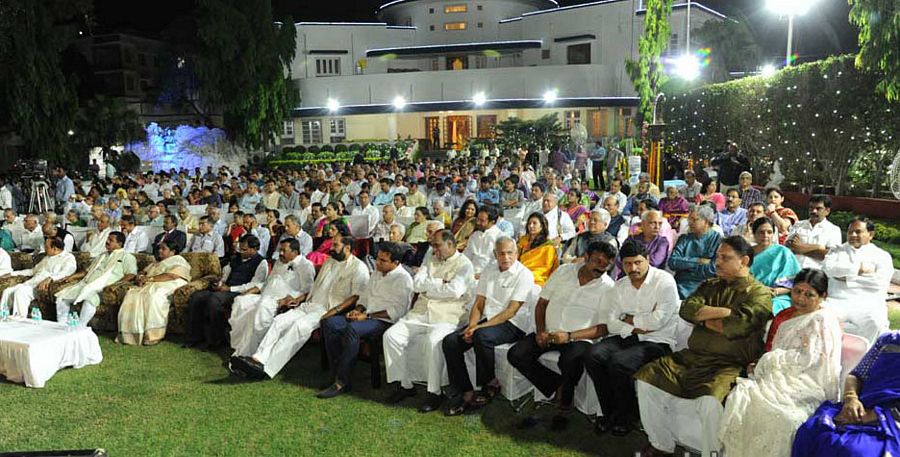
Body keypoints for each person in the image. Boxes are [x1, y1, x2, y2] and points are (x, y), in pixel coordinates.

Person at [635, 236, 772, 457]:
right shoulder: (710, 285)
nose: (717, 262)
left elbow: (740, 326)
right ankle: (661, 444)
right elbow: (687, 309)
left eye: (725, 258)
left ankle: (712, 453)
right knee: (647, 379)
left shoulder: (759, 293)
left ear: (744, 260)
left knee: (710, 402)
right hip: (691, 357)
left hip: (727, 364)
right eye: (717, 256)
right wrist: (725, 313)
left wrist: (704, 316)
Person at [719, 269, 843, 457]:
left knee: (780, 417)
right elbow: (774, 348)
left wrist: (769, 360)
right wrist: (763, 362)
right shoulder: (786, 315)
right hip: (778, 375)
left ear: (823, 296)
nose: (800, 298)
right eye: (797, 291)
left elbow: (812, 360)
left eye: (809, 294)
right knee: (743, 399)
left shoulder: (823, 320)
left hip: (808, 382)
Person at [508, 241, 617, 431]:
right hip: (548, 331)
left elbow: (603, 328)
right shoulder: (564, 271)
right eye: (597, 261)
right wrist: (541, 330)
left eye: (606, 264)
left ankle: (565, 406)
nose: (601, 267)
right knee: (516, 354)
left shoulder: (608, 287)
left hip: (578, 338)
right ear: (585, 258)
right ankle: (554, 384)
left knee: (571, 361)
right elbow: (542, 303)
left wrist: (568, 335)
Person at [232, 235, 368, 380]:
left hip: (327, 309)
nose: (331, 249)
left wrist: (334, 311)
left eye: (335, 245)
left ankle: (266, 368)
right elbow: (316, 287)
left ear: (347, 248)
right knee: (279, 322)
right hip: (310, 304)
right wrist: (299, 299)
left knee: (297, 327)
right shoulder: (330, 261)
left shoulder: (358, 267)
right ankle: (257, 358)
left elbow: (356, 296)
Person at [586, 240, 680, 436]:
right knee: (593, 355)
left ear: (647, 260)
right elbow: (611, 323)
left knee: (618, 362)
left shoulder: (664, 281)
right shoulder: (619, 286)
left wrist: (629, 319)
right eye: (628, 264)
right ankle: (609, 411)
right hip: (628, 336)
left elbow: (658, 322)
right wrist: (637, 326)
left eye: (638, 262)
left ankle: (627, 416)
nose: (633, 268)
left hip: (658, 341)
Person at [383, 230, 475, 414]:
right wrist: (441, 283)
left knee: (433, 342)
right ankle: (406, 385)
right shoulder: (431, 257)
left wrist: (430, 285)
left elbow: (455, 290)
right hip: (421, 312)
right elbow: (417, 283)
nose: (434, 249)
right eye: (432, 245)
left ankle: (435, 392)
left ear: (451, 244)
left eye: (437, 245)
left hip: (447, 315)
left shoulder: (464, 264)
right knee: (391, 336)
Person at [442, 236, 535, 415]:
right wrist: (472, 325)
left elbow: (511, 311)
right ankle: (466, 391)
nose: (506, 257)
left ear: (517, 253)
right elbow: (479, 303)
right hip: (489, 319)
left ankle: (490, 383)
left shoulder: (524, 275)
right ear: (495, 254)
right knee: (451, 341)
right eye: (501, 253)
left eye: (510, 253)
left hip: (513, 324)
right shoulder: (489, 270)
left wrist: (478, 329)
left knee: (480, 336)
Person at [318, 242, 414, 399]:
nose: (377, 263)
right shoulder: (377, 273)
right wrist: (359, 309)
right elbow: (364, 296)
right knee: (330, 323)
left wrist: (367, 316)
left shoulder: (403, 280)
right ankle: (336, 373)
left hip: (385, 321)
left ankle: (342, 382)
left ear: (395, 263)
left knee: (353, 329)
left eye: (383, 261)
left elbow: (397, 311)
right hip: (366, 316)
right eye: (378, 258)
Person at [792, 331, 900, 457]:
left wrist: (876, 415)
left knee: (853, 450)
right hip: (860, 406)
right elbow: (856, 375)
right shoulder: (888, 340)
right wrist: (851, 399)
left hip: (892, 419)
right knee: (810, 431)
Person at [228, 238, 316, 362]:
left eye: (284, 250)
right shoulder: (279, 262)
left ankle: (251, 352)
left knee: (262, 308)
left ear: (295, 252)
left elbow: (308, 290)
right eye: (280, 250)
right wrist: (252, 290)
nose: (280, 253)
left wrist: (292, 300)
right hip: (265, 295)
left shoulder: (306, 265)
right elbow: (267, 282)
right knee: (240, 301)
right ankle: (238, 346)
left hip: (280, 301)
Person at [183, 235, 269, 350]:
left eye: (244, 250)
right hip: (225, 288)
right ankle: (193, 337)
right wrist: (219, 283)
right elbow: (226, 274)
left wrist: (230, 289)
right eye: (240, 249)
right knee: (196, 297)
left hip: (241, 292)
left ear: (254, 249)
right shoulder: (235, 258)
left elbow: (255, 285)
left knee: (213, 300)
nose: (241, 252)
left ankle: (214, 341)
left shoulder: (261, 262)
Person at [822, 217, 894, 343]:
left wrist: (845, 278)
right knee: (820, 316)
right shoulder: (837, 251)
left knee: (876, 322)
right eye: (850, 232)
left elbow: (879, 283)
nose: (852, 235)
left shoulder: (882, 256)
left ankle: (865, 360)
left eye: (858, 232)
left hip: (868, 303)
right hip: (837, 300)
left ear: (870, 234)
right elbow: (827, 269)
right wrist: (858, 270)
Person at [116, 239, 192, 345]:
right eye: (159, 248)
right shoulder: (157, 262)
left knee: (154, 296)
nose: (160, 251)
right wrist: (140, 276)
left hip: (170, 283)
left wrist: (149, 279)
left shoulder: (178, 260)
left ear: (173, 252)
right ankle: (131, 335)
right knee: (132, 295)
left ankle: (153, 336)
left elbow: (173, 275)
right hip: (153, 283)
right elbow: (144, 271)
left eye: (163, 249)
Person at [55, 231, 138, 326]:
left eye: (111, 240)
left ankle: (80, 326)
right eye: (107, 239)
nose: (107, 241)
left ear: (119, 244)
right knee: (62, 297)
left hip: (102, 287)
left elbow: (131, 274)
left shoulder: (127, 257)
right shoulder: (102, 255)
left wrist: (117, 284)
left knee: (90, 299)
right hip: (86, 283)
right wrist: (71, 277)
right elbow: (87, 271)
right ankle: (61, 325)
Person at [1, 237, 77, 317]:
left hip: (41, 288)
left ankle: (19, 319)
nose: (44, 249)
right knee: (7, 291)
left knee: (21, 291)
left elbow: (67, 272)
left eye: (46, 247)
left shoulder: (68, 258)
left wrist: (50, 278)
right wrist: (12, 274)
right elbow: (33, 271)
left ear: (54, 248)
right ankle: (2, 317)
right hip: (31, 283)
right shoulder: (47, 258)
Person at [668, 205, 722, 298]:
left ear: (706, 222)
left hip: (706, 286)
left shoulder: (718, 241)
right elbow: (672, 262)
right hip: (680, 285)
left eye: (694, 220)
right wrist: (698, 261)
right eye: (689, 219)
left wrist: (685, 265)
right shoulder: (684, 239)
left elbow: (713, 269)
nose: (690, 223)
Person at [749, 217, 801, 315]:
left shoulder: (783, 253)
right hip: (750, 293)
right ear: (754, 234)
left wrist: (775, 291)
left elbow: (795, 283)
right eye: (761, 232)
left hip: (777, 296)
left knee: (770, 307)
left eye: (769, 232)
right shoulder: (746, 253)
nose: (765, 236)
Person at [786, 194, 842, 269]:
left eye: (818, 208)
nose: (813, 211)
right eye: (811, 208)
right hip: (793, 271)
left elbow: (830, 255)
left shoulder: (833, 230)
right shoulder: (798, 225)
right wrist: (818, 247)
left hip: (816, 274)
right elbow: (789, 247)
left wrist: (799, 248)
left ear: (827, 211)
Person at [613, 210, 668, 278]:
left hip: (652, 279)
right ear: (643, 224)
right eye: (653, 223)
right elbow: (619, 260)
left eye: (660, 223)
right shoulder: (632, 239)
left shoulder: (662, 242)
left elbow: (655, 262)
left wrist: (630, 263)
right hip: (627, 277)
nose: (657, 227)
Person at [516, 212, 559, 287]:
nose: (531, 226)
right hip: (518, 274)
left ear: (542, 226)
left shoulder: (548, 247)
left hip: (536, 280)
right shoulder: (523, 240)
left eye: (534, 223)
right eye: (529, 223)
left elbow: (545, 269)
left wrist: (526, 274)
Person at [462, 205, 503, 277]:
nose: (477, 222)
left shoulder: (500, 238)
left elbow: (500, 264)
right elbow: (466, 256)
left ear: (492, 222)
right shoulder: (475, 235)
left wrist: (483, 275)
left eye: (482, 221)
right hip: (470, 272)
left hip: (489, 275)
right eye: (478, 219)